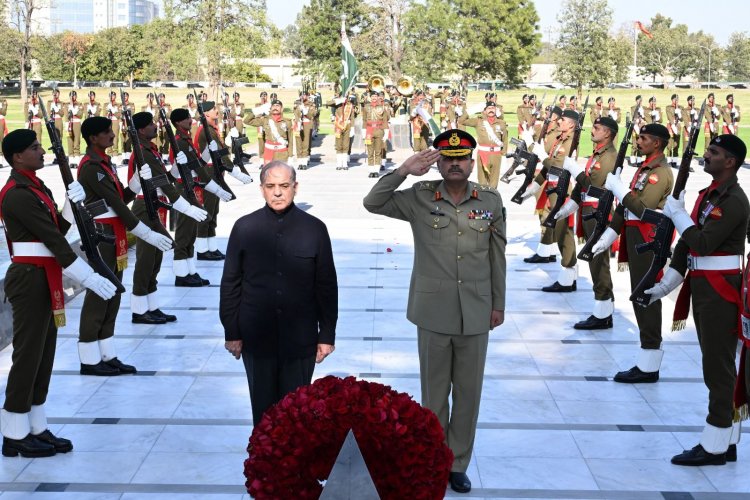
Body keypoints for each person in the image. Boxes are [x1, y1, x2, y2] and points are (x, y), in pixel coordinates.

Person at [363, 130, 507, 494]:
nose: (455, 163)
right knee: (435, 393)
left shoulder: (490, 200)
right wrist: (403, 171)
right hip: (433, 311)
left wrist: (498, 303)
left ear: (472, 162)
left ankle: (457, 463)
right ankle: (434, 458)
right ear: (438, 163)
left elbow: (497, 257)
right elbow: (372, 202)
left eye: (461, 158)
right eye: (448, 158)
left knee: (469, 393)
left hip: (476, 311)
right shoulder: (419, 197)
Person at [0, 129, 116, 457]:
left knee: (43, 356)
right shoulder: (17, 194)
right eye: (34, 148)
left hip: (44, 276)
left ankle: (34, 427)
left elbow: (58, 230)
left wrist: (69, 205)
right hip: (30, 277)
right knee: (27, 357)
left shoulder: (36, 188)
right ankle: (14, 435)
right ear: (17, 156)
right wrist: (89, 277)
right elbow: (54, 241)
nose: (41, 151)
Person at [646, 135, 749, 465]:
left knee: (716, 368)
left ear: (730, 162)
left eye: (714, 153)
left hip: (720, 290)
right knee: (716, 364)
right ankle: (727, 439)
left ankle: (715, 444)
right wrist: (666, 283)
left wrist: (678, 217)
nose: (706, 156)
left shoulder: (733, 200)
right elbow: (686, 247)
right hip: (705, 286)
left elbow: (702, 243)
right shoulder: (709, 195)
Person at [220, 161, 337, 425]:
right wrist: (232, 332)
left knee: (297, 416)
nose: (277, 193)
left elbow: (326, 285)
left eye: (284, 186)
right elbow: (231, 283)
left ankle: (296, 467)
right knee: (263, 415)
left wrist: (326, 334)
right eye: (270, 186)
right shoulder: (244, 228)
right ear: (261, 189)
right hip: (256, 338)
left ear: (295, 187)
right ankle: (262, 465)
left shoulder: (314, 229)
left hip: (300, 340)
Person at [76, 117, 173, 374]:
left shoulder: (104, 164)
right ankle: (89, 358)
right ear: (94, 138)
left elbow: (120, 197)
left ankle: (107, 354)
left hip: (113, 233)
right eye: (107, 132)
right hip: (102, 235)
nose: (112, 135)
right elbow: (117, 206)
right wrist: (147, 234)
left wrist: (135, 184)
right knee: (100, 296)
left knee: (113, 295)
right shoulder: (91, 167)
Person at [590, 123, 674, 382]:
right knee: (640, 296)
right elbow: (627, 210)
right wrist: (610, 234)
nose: (638, 141)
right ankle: (645, 358)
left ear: (657, 143)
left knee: (646, 297)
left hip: (648, 239)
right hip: (636, 237)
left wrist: (620, 190)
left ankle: (649, 364)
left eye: (644, 138)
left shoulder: (659, 173)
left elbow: (642, 207)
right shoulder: (647, 167)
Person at [127, 112, 208, 321]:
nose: (156, 126)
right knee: (146, 260)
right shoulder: (143, 152)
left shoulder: (151, 150)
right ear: (142, 130)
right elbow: (163, 186)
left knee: (155, 259)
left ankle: (151, 307)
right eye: (151, 124)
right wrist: (187, 208)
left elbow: (164, 180)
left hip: (155, 206)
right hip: (145, 207)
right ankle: (139, 310)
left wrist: (175, 170)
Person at [555, 116, 619, 328]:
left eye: (597, 128)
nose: (593, 130)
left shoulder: (608, 156)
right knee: (595, 262)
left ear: (608, 133)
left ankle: (603, 314)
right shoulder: (599, 153)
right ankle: (603, 309)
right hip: (590, 210)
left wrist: (576, 170)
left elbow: (592, 185)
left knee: (599, 263)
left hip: (598, 211)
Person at [169, 107, 233, 286]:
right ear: (177, 123)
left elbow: (196, 164)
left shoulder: (186, 139)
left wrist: (206, 154)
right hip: (184, 188)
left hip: (190, 186)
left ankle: (189, 271)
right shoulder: (180, 142)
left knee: (190, 232)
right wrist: (215, 188)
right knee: (183, 233)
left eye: (189, 118)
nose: (190, 121)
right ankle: (182, 275)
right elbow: (193, 168)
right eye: (186, 119)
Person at [521, 109, 579, 292]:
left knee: (564, 233)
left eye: (562, 120)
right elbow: (548, 171)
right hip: (552, 188)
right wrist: (534, 188)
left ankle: (568, 278)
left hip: (561, 190)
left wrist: (541, 154)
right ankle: (567, 277)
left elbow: (556, 166)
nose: (558, 122)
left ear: (570, 124)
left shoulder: (569, 142)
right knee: (559, 231)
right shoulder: (560, 140)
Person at [197, 101, 253, 260]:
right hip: (209, 174)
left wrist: (229, 140)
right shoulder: (206, 131)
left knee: (213, 212)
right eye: (214, 109)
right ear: (206, 114)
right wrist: (237, 173)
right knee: (207, 212)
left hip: (215, 173)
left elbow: (221, 150)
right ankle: (202, 250)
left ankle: (211, 247)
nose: (217, 110)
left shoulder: (211, 130)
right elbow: (219, 155)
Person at [524, 105, 563, 264]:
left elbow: (544, 155)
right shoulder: (547, 131)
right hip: (541, 173)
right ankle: (550, 249)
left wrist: (531, 142)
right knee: (545, 212)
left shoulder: (554, 135)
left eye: (550, 114)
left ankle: (545, 249)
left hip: (545, 175)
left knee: (544, 213)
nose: (546, 116)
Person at [458, 101, 507, 188]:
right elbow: (461, 121)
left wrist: (503, 152)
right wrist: (470, 111)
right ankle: (483, 198)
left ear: (496, 110)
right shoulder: (478, 121)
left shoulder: (501, 123)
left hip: (496, 155)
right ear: (484, 111)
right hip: (482, 154)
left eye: (493, 108)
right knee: (482, 182)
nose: (491, 110)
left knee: (494, 182)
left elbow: (505, 139)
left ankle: (492, 198)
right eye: (489, 108)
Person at [243, 99, 294, 166]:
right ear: (270, 108)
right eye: (273, 106)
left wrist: (290, 156)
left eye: (278, 106)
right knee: (268, 174)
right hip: (268, 152)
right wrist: (257, 110)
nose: (275, 107)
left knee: (280, 175)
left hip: (282, 153)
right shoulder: (265, 120)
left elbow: (290, 140)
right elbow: (247, 121)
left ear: (282, 109)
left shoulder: (287, 122)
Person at [330, 94, 357, 170]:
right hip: (338, 126)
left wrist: (352, 127)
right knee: (338, 145)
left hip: (347, 125)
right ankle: (339, 163)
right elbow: (328, 103)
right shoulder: (337, 104)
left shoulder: (350, 105)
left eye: (346, 97)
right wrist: (337, 100)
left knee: (346, 145)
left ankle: (344, 164)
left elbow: (352, 117)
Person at [293, 92, 317, 169]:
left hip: (307, 124)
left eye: (304, 95)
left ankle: (304, 163)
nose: (303, 96)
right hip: (298, 124)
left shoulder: (311, 104)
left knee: (306, 143)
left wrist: (305, 111)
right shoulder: (297, 103)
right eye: (301, 95)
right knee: (298, 143)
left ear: (307, 96)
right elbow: (295, 114)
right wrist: (299, 109)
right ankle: (300, 162)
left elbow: (312, 115)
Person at [66, 91, 84, 161]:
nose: (72, 97)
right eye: (71, 96)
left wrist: (74, 111)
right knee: (69, 140)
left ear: (76, 96)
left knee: (77, 140)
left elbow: (80, 115)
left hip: (77, 123)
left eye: (74, 96)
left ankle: (76, 156)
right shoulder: (67, 105)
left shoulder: (79, 104)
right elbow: (66, 115)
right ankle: (70, 156)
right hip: (69, 123)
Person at [665, 94, 683, 166]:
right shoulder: (668, 108)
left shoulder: (681, 108)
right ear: (672, 100)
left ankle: (675, 160)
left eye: (677, 100)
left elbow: (682, 119)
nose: (676, 101)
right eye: (675, 99)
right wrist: (673, 126)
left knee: (676, 144)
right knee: (669, 144)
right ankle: (669, 160)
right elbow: (669, 117)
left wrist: (680, 114)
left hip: (678, 125)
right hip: (670, 125)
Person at [104, 91, 122, 158]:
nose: (112, 97)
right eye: (111, 96)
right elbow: (104, 114)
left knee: (115, 136)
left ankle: (115, 151)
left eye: (113, 96)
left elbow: (119, 115)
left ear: (115, 96)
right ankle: (109, 151)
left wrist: (114, 111)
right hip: (108, 121)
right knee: (108, 136)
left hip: (115, 121)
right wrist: (108, 110)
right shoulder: (106, 105)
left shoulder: (118, 105)